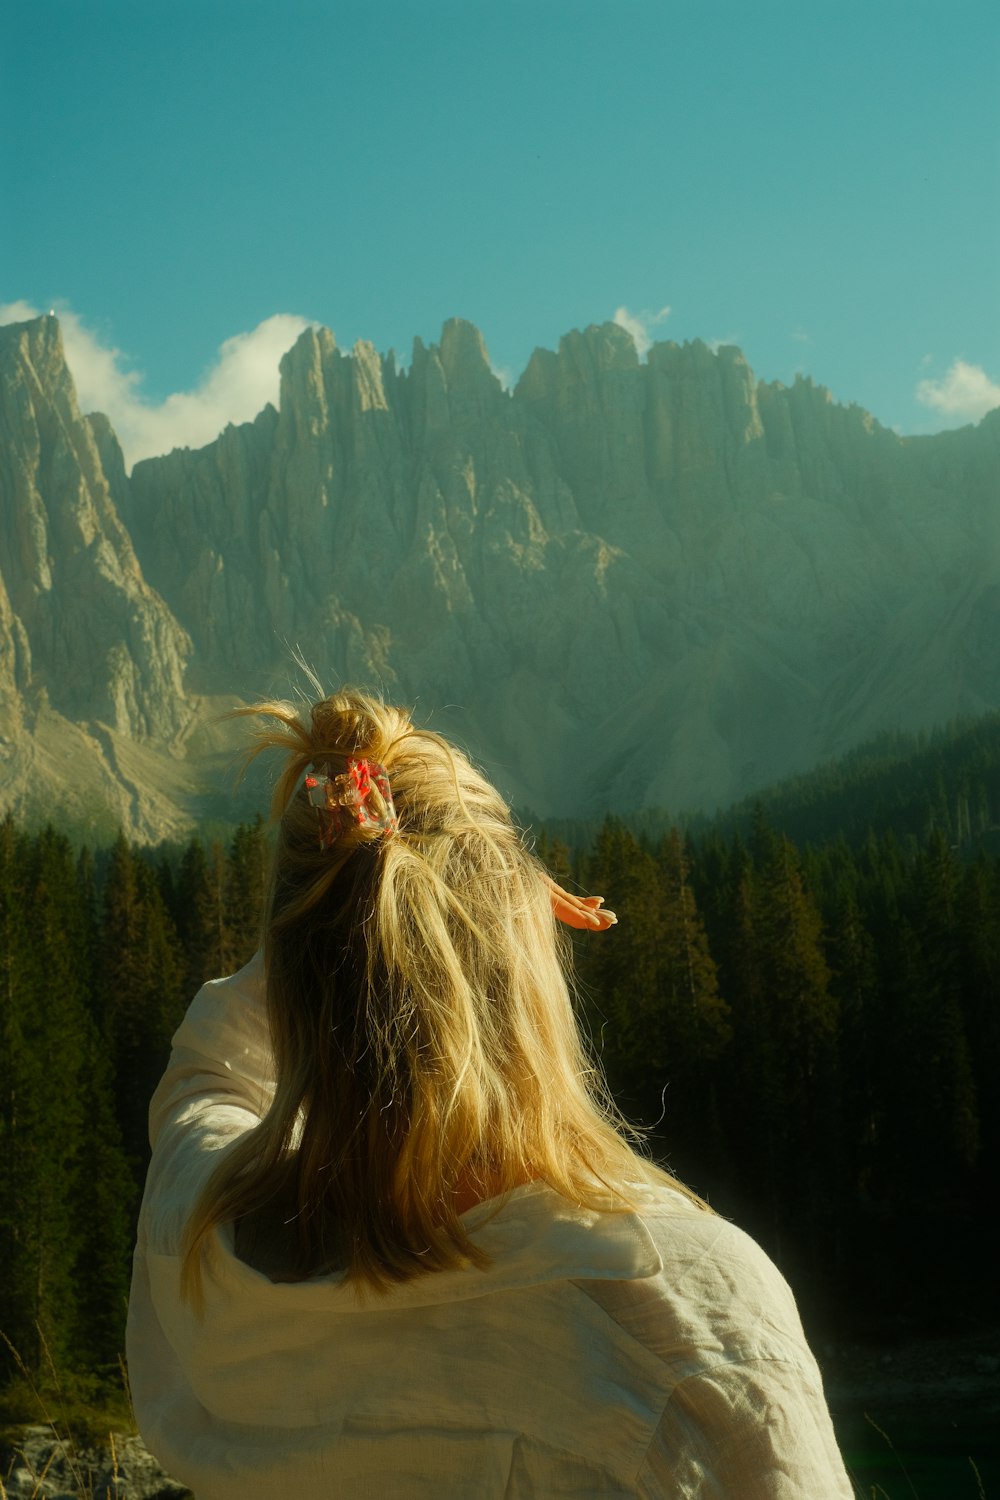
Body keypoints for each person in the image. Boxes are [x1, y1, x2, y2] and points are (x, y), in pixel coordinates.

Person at [126, 688, 854, 1498]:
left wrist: (351, 900)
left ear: (297, 974)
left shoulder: (206, 1252)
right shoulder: (683, 1321)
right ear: (527, 965)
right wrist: (459, 902)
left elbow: (205, 1074)